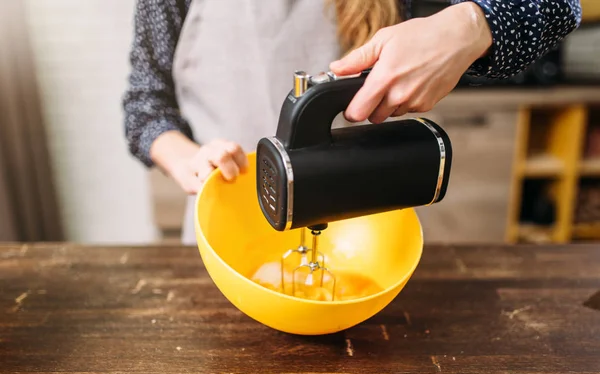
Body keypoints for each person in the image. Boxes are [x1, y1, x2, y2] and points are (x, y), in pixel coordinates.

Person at [123, 0, 582, 245]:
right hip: (222, 234)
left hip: (364, 239)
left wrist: (470, 24)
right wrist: (191, 162)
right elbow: (144, 107)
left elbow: (561, 4)